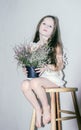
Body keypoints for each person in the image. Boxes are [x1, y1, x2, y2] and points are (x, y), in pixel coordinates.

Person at [21, 15, 64, 128]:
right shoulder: (32, 46)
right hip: (38, 79)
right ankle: (38, 108)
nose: (46, 26)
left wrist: (47, 67)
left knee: (35, 83)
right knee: (25, 84)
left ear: (53, 31)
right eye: (44, 23)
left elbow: (60, 65)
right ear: (39, 25)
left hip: (52, 79)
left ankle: (46, 108)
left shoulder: (55, 46)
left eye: (50, 26)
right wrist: (26, 69)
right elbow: (30, 64)